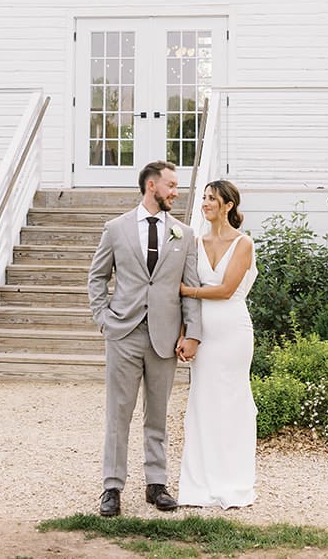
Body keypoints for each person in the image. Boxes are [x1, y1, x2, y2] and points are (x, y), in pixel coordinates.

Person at [87, 159, 203, 517]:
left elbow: (191, 288)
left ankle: (157, 484)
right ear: (152, 186)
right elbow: (97, 277)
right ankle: (112, 487)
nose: (176, 191)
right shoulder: (116, 229)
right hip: (124, 334)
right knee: (118, 414)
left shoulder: (185, 234)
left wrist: (192, 334)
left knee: (158, 415)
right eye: (171, 185)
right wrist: (103, 319)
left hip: (165, 338)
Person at [176, 179, 257, 508]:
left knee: (232, 402)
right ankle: (200, 482)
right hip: (202, 334)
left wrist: (187, 290)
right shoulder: (194, 241)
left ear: (228, 206)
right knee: (202, 401)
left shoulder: (244, 243)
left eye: (212, 199)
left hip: (233, 332)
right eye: (204, 198)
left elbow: (225, 290)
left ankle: (233, 479)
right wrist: (185, 333)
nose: (205, 203)